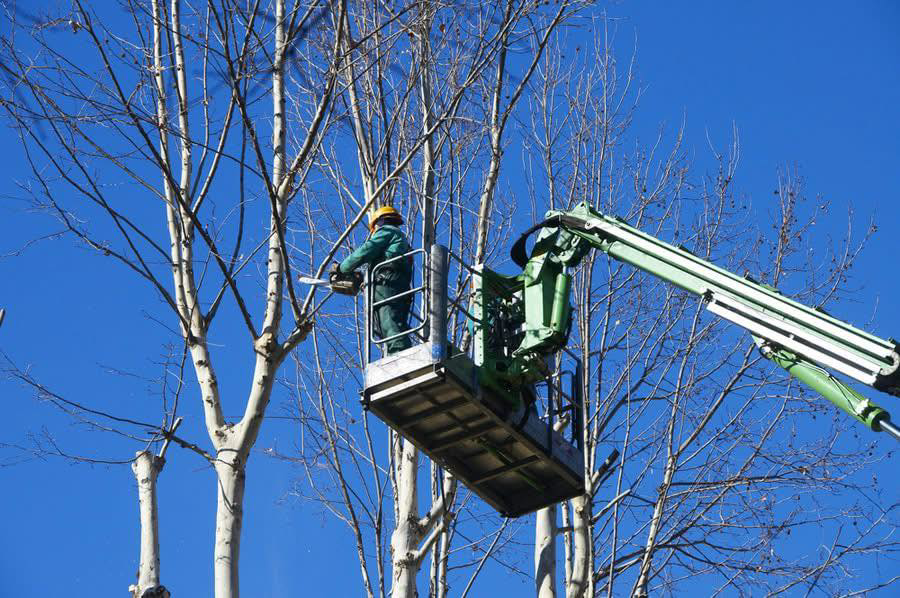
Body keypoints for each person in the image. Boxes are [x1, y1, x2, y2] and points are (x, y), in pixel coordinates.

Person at [335, 206, 413, 355]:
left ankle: (400, 355)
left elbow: (366, 250)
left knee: (388, 320)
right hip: (396, 283)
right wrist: (364, 278)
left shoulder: (388, 231)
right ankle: (395, 355)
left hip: (386, 282)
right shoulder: (400, 240)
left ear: (378, 223)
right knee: (390, 323)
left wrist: (342, 268)